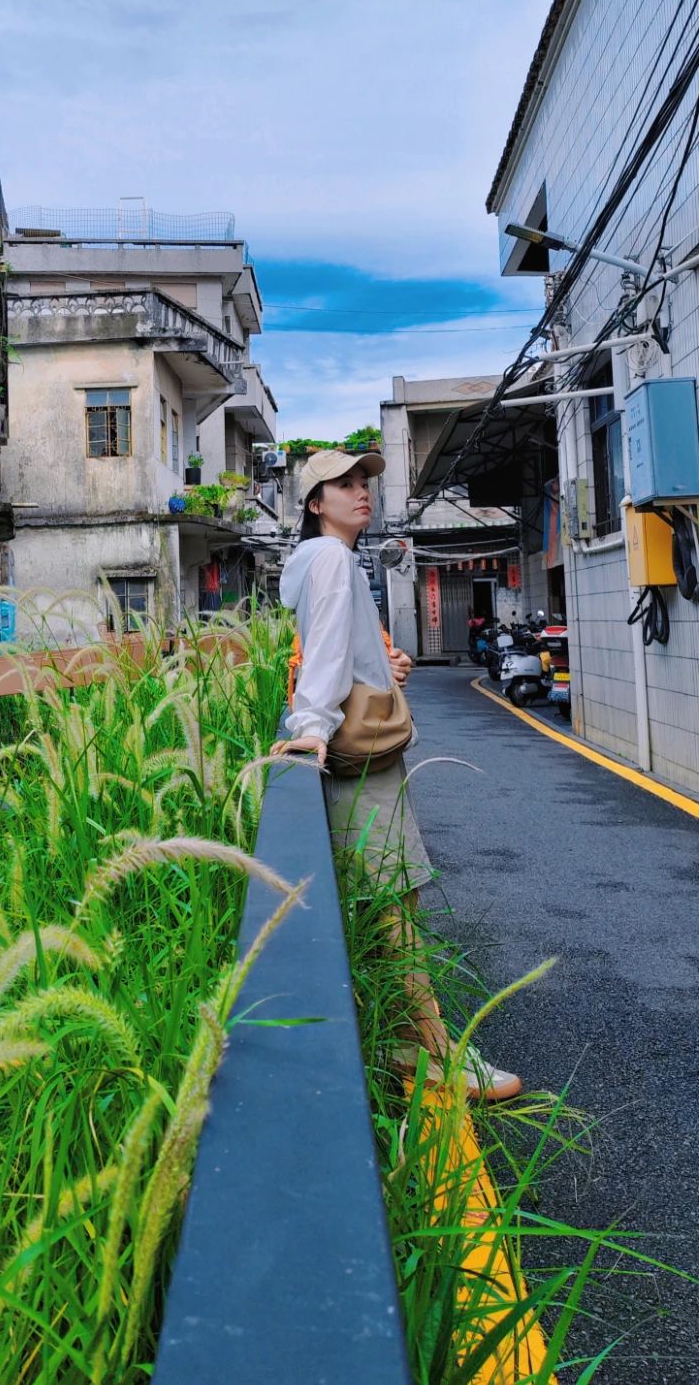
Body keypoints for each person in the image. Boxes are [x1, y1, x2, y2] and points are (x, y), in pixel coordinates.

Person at [271, 447, 521, 1101]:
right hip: (362, 768)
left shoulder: (330, 562)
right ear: (313, 502)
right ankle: (437, 1056)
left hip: (363, 755)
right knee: (395, 910)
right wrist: (314, 728)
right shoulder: (329, 558)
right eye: (343, 484)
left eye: (364, 482)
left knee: (391, 909)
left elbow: (346, 651)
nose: (361, 492)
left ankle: (401, 1042)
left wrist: (389, 670)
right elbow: (322, 654)